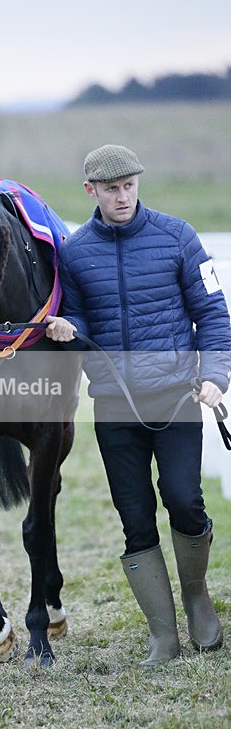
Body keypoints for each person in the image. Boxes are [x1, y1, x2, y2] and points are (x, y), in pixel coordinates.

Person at [46, 144, 231, 666]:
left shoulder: (178, 236)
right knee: (135, 518)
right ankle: (162, 635)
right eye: (112, 189)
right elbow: (80, 319)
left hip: (176, 398)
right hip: (114, 407)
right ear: (92, 191)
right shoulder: (74, 252)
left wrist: (216, 376)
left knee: (184, 500)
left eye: (129, 186)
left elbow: (213, 314)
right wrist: (68, 328)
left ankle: (197, 599)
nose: (123, 197)